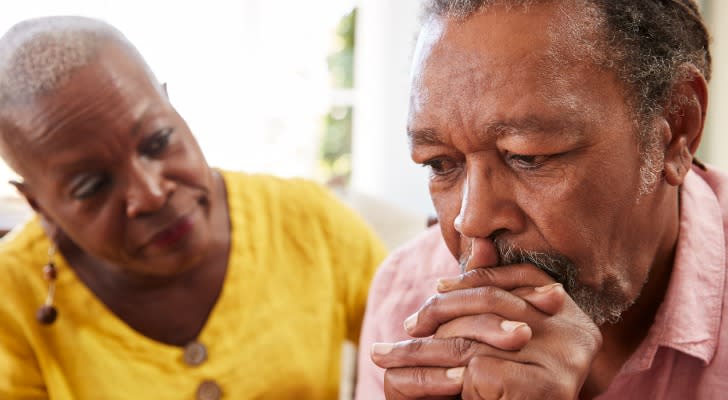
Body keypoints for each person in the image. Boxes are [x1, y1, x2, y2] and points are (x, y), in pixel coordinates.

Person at [0, 16, 387, 399]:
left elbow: (417, 356)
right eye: (93, 185)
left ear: (172, 108)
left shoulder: (310, 221)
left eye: (158, 141)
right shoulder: (10, 298)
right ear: (39, 205)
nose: (150, 193)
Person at [356, 0, 727, 399]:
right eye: (441, 164)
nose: (473, 221)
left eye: (528, 156)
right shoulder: (406, 298)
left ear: (675, 128)